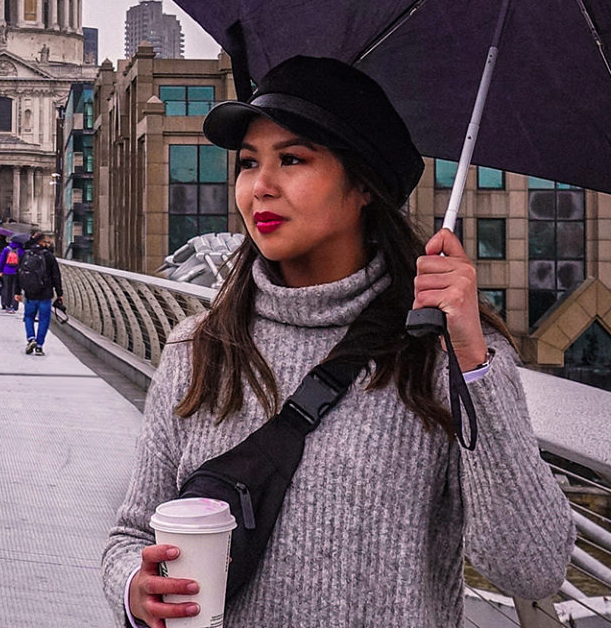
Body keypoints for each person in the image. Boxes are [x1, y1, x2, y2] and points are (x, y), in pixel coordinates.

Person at [103, 56, 573, 628]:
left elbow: (534, 570)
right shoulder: (200, 349)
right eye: (249, 163)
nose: (260, 188)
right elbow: (131, 534)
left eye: (293, 160)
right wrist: (135, 586)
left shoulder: (436, 356)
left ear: (363, 186)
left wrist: (474, 362)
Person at [15, 231, 62, 355]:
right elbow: (56, 276)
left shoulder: (25, 254)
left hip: (30, 293)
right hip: (45, 293)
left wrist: (17, 291)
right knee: (44, 319)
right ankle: (39, 346)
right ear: (41, 242)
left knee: (29, 316)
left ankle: (31, 338)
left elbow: (19, 273)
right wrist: (59, 293)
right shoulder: (49, 256)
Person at [0, 233, 23, 311]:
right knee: (15, 288)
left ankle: (6, 304)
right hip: (17, 271)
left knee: (6, 287)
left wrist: (0, 270)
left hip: (7, 271)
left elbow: (2, 260)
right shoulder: (21, 250)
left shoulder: (6, 249)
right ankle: (15, 305)